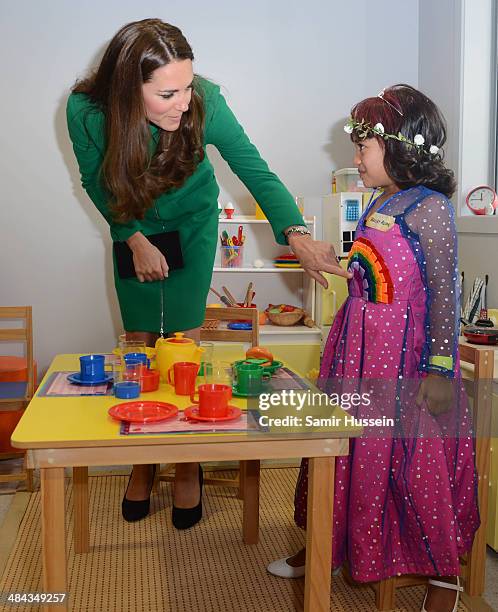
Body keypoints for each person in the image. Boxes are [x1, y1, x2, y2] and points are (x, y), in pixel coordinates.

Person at [66, 18, 347, 530]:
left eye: (188, 85)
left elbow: (252, 166)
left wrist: (297, 234)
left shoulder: (206, 103)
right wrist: (132, 237)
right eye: (167, 92)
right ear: (129, 89)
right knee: (141, 345)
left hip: (192, 222)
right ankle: (144, 463)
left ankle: (187, 462)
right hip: (132, 223)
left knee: (183, 348)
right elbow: (94, 180)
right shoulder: (86, 110)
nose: (183, 101)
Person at [267, 85, 480, 612]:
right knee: (346, 448)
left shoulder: (431, 208)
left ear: (403, 146)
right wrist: (340, 269)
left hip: (403, 358)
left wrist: (438, 370)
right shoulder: (382, 200)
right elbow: (379, 275)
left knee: (413, 462)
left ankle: (441, 573)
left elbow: (442, 293)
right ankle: (331, 542)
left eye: (365, 146)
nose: (355, 157)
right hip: (358, 348)